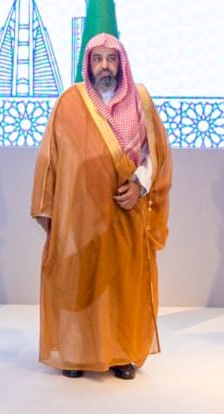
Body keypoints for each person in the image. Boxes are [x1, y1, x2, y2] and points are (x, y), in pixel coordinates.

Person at [31, 33, 172, 380]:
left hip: (125, 213)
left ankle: (121, 353)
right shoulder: (69, 102)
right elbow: (50, 158)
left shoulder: (140, 100)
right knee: (80, 282)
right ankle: (76, 353)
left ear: (121, 62)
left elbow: (155, 153)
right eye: (98, 59)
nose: (104, 66)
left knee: (122, 284)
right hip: (79, 214)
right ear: (88, 64)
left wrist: (139, 186)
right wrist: (47, 207)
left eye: (111, 59)